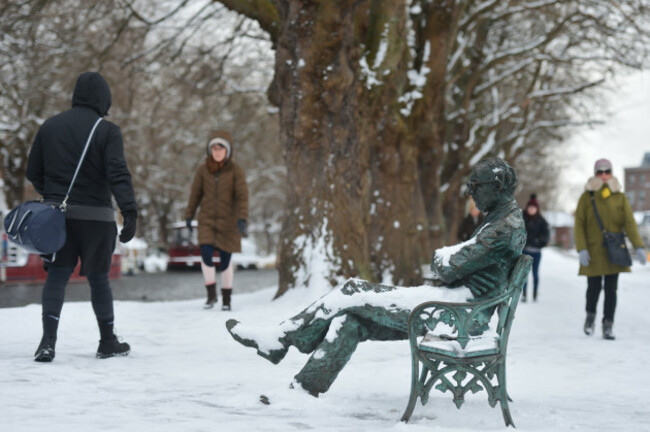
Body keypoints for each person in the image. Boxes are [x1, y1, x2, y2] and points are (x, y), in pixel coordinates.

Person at [226, 157, 526, 397]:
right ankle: (304, 388)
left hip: (458, 317)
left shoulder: (502, 229)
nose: (470, 192)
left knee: (353, 289)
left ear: (496, 185)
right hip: (454, 306)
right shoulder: (501, 220)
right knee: (349, 320)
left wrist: (443, 258)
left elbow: (446, 266)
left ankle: (280, 339)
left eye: (476, 185)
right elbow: (452, 262)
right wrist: (447, 259)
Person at [26, 71, 137, 362]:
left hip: (57, 218)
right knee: (99, 279)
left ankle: (47, 341)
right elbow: (117, 173)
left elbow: (32, 171)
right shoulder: (107, 130)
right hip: (97, 219)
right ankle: (107, 341)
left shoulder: (49, 127)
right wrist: (130, 211)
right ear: (104, 98)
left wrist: (53, 198)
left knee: (57, 275)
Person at [574, 158, 646, 340]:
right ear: (595, 173)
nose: (604, 175)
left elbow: (629, 223)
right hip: (592, 250)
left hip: (614, 250)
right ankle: (590, 317)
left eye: (607, 171)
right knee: (593, 288)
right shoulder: (587, 196)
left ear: (611, 173)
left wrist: (638, 246)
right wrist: (582, 248)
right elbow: (579, 224)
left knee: (611, 290)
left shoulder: (620, 197)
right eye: (600, 172)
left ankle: (608, 325)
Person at [185, 130, 249, 310]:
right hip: (206, 219)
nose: (217, 152)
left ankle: (226, 299)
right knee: (205, 254)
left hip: (229, 221)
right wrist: (189, 214)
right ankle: (211, 295)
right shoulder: (202, 170)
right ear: (210, 150)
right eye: (214, 148)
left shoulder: (236, 170)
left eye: (221, 148)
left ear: (227, 151)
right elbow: (195, 194)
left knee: (225, 259)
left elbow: (242, 196)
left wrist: (242, 218)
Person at [521, 194, 550, 302]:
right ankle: (524, 293)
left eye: (534, 208)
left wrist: (540, 243)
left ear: (537, 209)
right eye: (530, 207)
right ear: (527, 208)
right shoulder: (522, 218)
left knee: (535, 273)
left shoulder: (541, 221)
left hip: (536, 252)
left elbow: (546, 235)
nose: (531, 209)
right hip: (524, 250)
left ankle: (534, 292)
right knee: (524, 274)